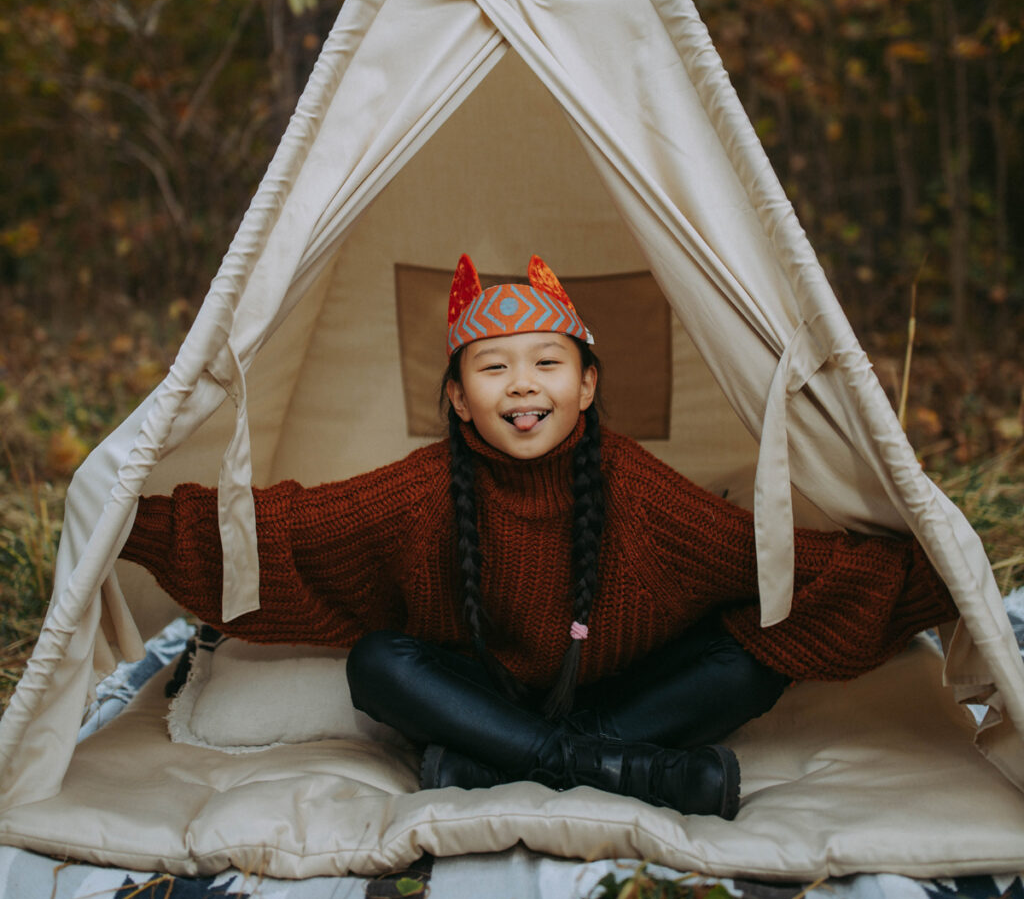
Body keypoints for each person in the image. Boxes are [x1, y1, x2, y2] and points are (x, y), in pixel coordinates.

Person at [119, 254, 958, 821]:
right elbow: (289, 532)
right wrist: (126, 518)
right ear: (458, 399)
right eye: (493, 367)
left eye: (548, 363)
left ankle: (505, 770)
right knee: (378, 662)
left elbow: (769, 563)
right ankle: (613, 771)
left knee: (753, 653)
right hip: (484, 704)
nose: (523, 384)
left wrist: (940, 568)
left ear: (587, 385)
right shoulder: (421, 490)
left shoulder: (634, 485)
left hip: (621, 695)